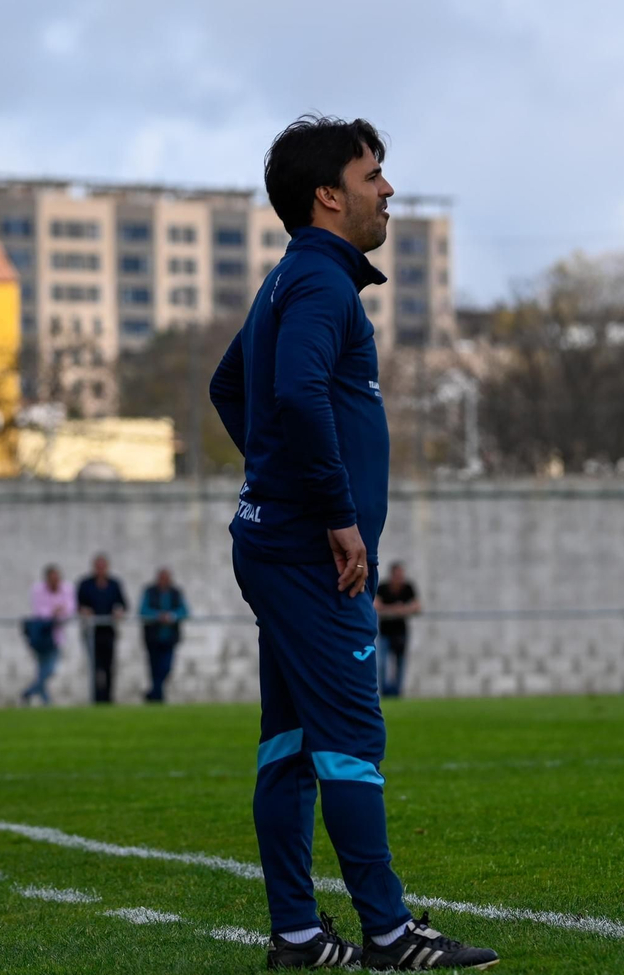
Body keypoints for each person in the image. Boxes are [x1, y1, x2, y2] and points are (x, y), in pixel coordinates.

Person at [210, 116, 497, 969]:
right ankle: (388, 932)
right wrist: (330, 511)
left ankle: (298, 934)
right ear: (328, 195)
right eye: (374, 173)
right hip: (307, 551)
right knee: (350, 740)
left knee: (291, 742)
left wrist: (274, 477)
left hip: (279, 540)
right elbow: (293, 393)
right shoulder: (322, 285)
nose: (389, 189)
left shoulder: (292, 279)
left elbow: (231, 385)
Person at [77, 554, 127, 704]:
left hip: (108, 631)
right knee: (95, 667)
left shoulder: (114, 584)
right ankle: (96, 698)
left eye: (103, 566)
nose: (100, 569)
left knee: (109, 666)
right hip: (91, 633)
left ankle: (108, 699)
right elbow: (77, 604)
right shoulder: (85, 584)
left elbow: (124, 604)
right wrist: (84, 611)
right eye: (98, 566)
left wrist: (118, 612)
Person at [22, 564, 74, 706]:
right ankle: (46, 701)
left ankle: (29, 692)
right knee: (42, 670)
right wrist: (54, 612)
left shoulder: (67, 589)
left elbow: (69, 609)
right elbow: (39, 611)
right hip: (41, 636)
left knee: (50, 669)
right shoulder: (38, 590)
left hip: (56, 636)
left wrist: (56, 613)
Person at [139, 568, 189, 703]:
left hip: (170, 638)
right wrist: (157, 616)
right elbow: (143, 610)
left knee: (166, 668)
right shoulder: (149, 592)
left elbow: (184, 611)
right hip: (152, 638)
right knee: (154, 669)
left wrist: (172, 616)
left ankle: (153, 694)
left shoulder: (175, 593)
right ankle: (157, 698)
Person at [375, 563, 420, 699]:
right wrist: (397, 609)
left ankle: (396, 692)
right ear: (392, 575)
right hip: (385, 633)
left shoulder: (408, 587)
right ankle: (383, 691)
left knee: (400, 663)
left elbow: (417, 607)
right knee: (382, 662)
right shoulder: (383, 587)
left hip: (401, 633)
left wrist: (397, 610)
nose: (400, 577)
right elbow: (376, 606)